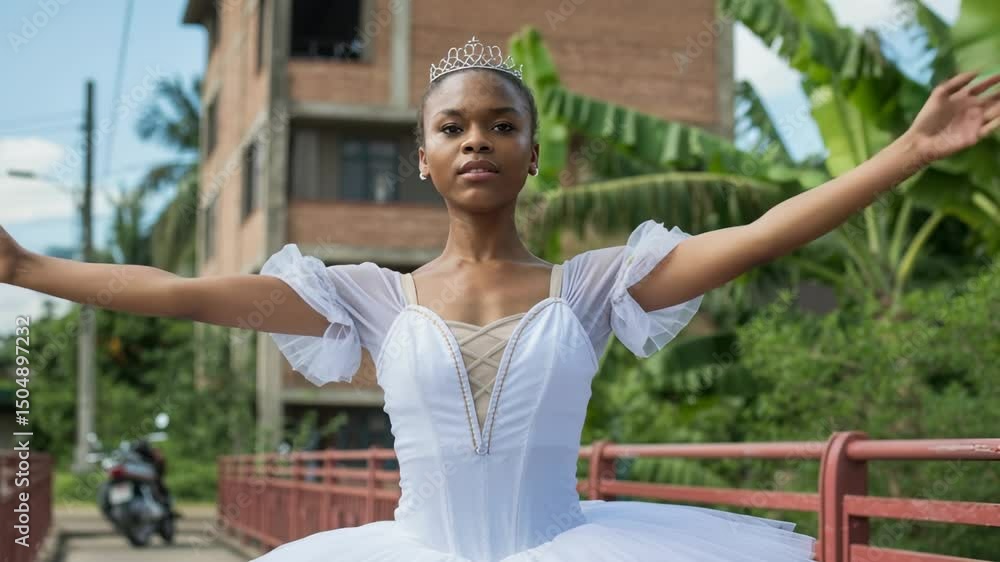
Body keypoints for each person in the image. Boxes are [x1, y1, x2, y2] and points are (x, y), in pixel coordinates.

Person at [2, 36, 998, 562]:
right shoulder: (366, 298)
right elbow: (181, 293)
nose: (476, 137)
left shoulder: (597, 284)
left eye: (500, 124)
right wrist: (27, 269)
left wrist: (909, 150)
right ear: (423, 158)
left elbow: (765, 231)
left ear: (531, 154)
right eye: (452, 126)